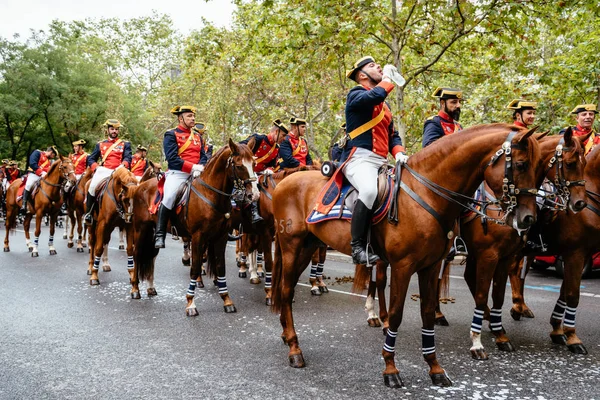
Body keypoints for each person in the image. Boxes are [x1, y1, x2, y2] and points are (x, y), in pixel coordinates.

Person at [342, 56, 407, 265]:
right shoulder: (356, 94)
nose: (378, 66)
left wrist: (398, 153)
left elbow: (392, 135)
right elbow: (376, 95)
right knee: (369, 190)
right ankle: (357, 247)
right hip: (359, 159)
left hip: (382, 161)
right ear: (362, 75)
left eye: (378, 65)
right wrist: (388, 77)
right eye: (372, 66)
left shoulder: (385, 107)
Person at [154, 106, 207, 248]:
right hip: (178, 173)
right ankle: (160, 234)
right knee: (170, 196)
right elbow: (172, 159)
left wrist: (200, 167)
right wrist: (192, 167)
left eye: (193, 116)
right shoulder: (171, 134)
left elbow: (203, 156)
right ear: (180, 118)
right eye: (189, 116)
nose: (193, 119)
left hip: (197, 173)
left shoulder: (198, 136)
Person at [239, 118, 288, 223]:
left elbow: (274, 164)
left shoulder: (276, 148)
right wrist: (249, 157)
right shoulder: (258, 139)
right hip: (246, 173)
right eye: (283, 135)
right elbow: (240, 147)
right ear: (276, 132)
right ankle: (253, 212)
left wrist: (270, 169)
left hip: (261, 175)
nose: (284, 139)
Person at [84, 119, 132, 225]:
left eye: (116, 129)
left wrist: (122, 166)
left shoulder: (125, 144)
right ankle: (89, 214)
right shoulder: (100, 144)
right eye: (112, 129)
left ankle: (131, 213)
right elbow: (91, 159)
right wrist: (96, 167)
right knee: (92, 187)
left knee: (132, 187)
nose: (114, 131)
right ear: (108, 130)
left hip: (119, 170)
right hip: (104, 170)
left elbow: (128, 158)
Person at [21, 146, 58, 213]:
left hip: (44, 176)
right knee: (29, 185)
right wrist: (41, 172)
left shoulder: (49, 161)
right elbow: (32, 163)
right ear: (51, 152)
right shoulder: (37, 153)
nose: (53, 157)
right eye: (53, 155)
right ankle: (24, 204)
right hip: (34, 174)